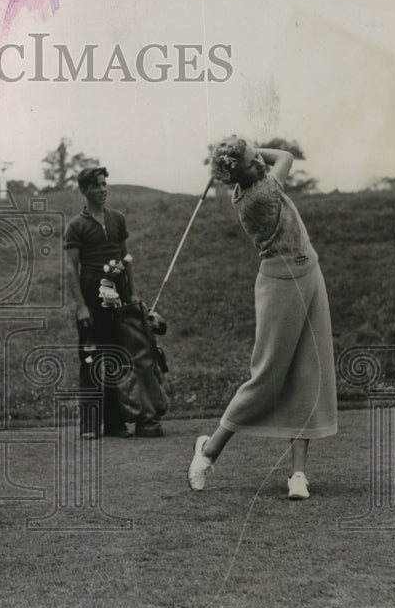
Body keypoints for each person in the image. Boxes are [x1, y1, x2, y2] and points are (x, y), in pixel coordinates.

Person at [188, 138, 337, 499]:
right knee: (267, 377)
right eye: (253, 162)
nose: (260, 164)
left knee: (308, 373)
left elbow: (267, 161)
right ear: (235, 173)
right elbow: (284, 155)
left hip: (310, 273)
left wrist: (245, 149)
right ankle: (207, 452)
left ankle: (298, 474)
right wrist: (252, 143)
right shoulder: (260, 196)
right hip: (281, 283)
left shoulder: (248, 184)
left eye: (258, 159)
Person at [65, 166, 164, 439]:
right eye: (96, 185)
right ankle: (89, 425)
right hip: (91, 293)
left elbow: (125, 259)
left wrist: (132, 293)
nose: (103, 189)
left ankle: (116, 423)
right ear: (84, 190)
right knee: (91, 357)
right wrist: (82, 306)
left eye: (105, 184)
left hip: (118, 293)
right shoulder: (76, 225)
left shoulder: (117, 219)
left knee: (118, 356)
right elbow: (72, 268)